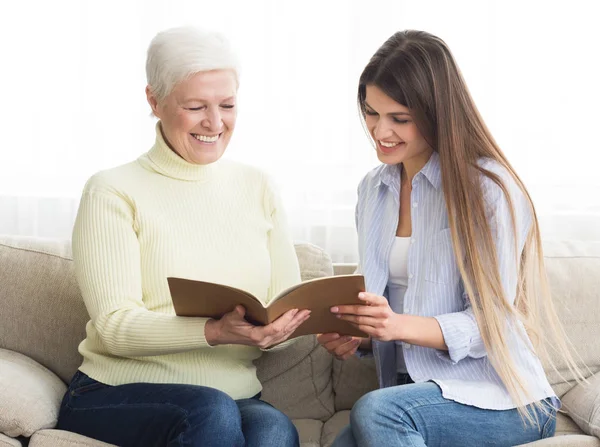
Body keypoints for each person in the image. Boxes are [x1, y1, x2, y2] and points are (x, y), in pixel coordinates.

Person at [317, 30, 582, 447]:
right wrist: (362, 333)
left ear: (436, 112)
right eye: (371, 113)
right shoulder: (374, 189)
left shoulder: (490, 191)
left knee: (376, 411)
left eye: (399, 119)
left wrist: (396, 325)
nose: (379, 131)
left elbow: (491, 324)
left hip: (501, 398)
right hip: (413, 397)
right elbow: (391, 302)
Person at [56, 26, 309, 447]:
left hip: (234, 396)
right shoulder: (112, 190)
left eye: (227, 104)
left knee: (275, 432)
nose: (215, 122)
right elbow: (115, 327)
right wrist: (215, 331)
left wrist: (279, 332)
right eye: (196, 106)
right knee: (210, 410)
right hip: (116, 394)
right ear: (154, 101)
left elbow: (286, 305)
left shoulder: (258, 186)